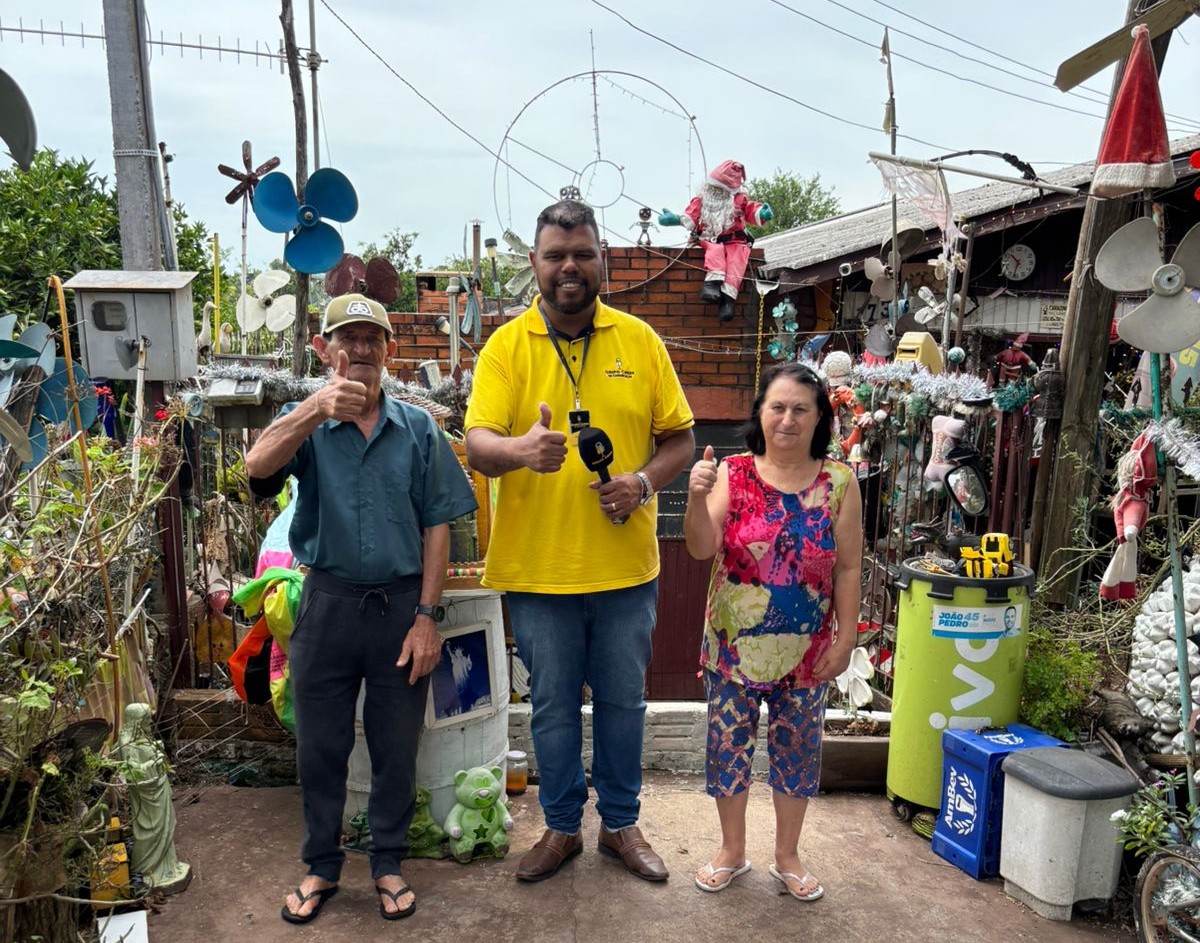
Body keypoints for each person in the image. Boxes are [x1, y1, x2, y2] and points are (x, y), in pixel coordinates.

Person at [464, 199, 695, 883]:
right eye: (556, 254)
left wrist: (643, 484)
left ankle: (620, 825)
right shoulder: (505, 347)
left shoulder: (640, 341)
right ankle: (562, 827)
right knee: (553, 707)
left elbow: (680, 439)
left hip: (625, 569)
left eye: (582, 253)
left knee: (624, 704)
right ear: (534, 263)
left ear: (605, 261)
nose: (569, 265)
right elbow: (477, 446)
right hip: (538, 572)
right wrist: (520, 449)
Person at [245, 293, 477, 924]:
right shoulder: (308, 420)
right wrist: (314, 408)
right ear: (325, 351)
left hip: (401, 610)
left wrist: (428, 616)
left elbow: (438, 526)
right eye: (346, 338)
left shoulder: (419, 428)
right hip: (326, 604)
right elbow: (256, 470)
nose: (361, 350)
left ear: (389, 352)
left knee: (396, 745)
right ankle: (321, 865)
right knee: (319, 747)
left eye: (372, 338)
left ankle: (388, 862)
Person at [683, 362, 862, 900]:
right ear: (760, 414)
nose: (787, 418)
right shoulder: (732, 473)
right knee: (729, 748)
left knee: (798, 751)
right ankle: (731, 852)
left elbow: (849, 566)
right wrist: (695, 496)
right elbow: (699, 547)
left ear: (819, 418)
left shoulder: (840, 482)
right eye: (777, 407)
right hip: (733, 647)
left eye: (800, 408)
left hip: (809, 653)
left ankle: (787, 856)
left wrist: (847, 637)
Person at [116, 702, 190, 892]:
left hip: (158, 786)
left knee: (167, 824)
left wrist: (157, 750)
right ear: (137, 721)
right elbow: (133, 774)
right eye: (147, 720)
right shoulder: (127, 742)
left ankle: (168, 866)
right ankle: (147, 868)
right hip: (148, 793)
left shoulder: (140, 736)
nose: (149, 724)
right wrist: (152, 761)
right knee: (152, 829)